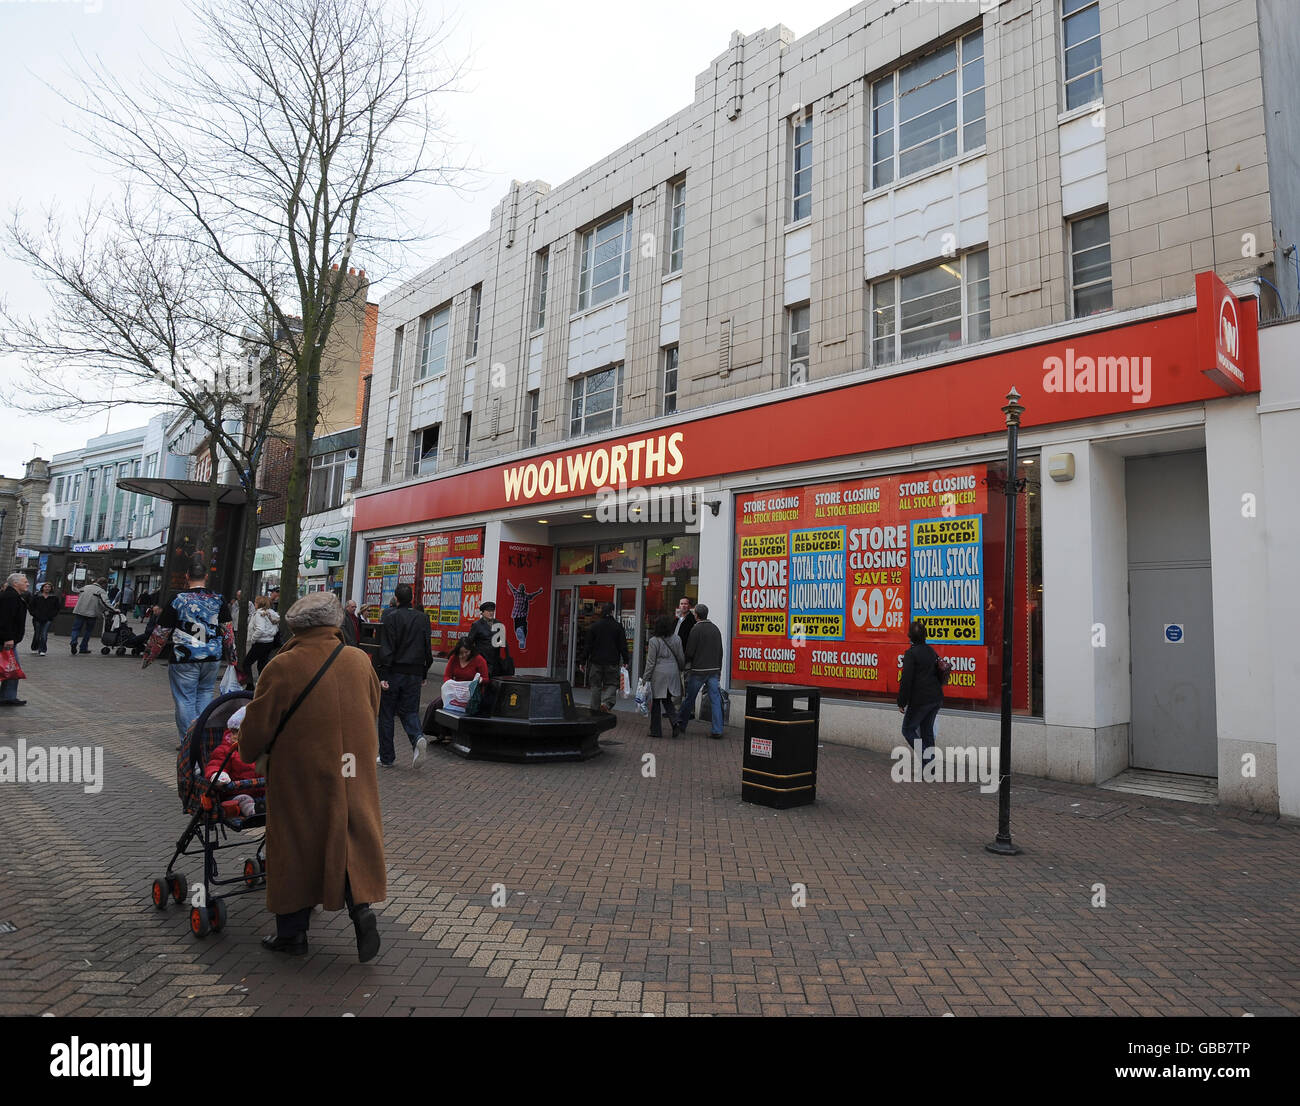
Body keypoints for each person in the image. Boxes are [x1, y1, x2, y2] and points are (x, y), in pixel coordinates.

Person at [237, 592, 385, 961]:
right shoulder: (358, 660)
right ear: (335, 623)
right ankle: (360, 908)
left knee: (295, 842)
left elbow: (257, 728)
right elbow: (374, 707)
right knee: (348, 832)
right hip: (352, 766)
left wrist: (247, 752)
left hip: (300, 770)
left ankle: (292, 934)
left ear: (295, 626)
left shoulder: (283, 666)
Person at [142, 557, 235, 746]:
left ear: (187, 577)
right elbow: (227, 629)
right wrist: (232, 657)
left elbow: (162, 631)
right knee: (206, 695)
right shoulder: (218, 599)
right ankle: (202, 738)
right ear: (206, 577)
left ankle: (189, 741)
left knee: (185, 699)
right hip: (211, 656)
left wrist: (149, 656)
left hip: (185, 656)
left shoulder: (178, 600)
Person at [375, 582, 433, 769]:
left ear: (396, 599)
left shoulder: (390, 618)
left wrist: (382, 673)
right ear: (412, 599)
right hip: (414, 672)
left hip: (393, 672)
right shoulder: (423, 619)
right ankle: (417, 738)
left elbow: (386, 647)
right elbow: (427, 648)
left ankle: (387, 757)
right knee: (410, 711)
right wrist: (424, 672)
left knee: (386, 715)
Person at [897, 619, 947, 772]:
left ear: (910, 637)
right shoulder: (931, 651)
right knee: (927, 731)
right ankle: (930, 767)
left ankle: (928, 760)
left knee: (908, 729)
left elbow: (906, 680)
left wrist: (901, 702)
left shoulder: (911, 654)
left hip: (921, 700)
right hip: (935, 698)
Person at [677, 602, 725, 738]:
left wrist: (684, 663)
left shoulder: (696, 629)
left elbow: (690, 652)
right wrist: (719, 669)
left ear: (696, 615)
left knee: (690, 698)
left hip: (698, 670)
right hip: (714, 670)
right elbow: (720, 651)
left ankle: (681, 723)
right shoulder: (715, 629)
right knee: (715, 699)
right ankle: (717, 730)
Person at [642, 614, 685, 739]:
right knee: (667, 700)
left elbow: (650, 662)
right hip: (673, 672)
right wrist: (681, 668)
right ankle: (675, 721)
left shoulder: (653, 641)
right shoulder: (677, 639)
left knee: (655, 703)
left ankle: (656, 730)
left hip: (658, 673)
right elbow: (681, 657)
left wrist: (645, 678)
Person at [584, 602, 630, 713]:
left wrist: (582, 660)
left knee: (596, 685)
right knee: (612, 683)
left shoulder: (594, 626)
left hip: (596, 661)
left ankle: (594, 710)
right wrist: (626, 660)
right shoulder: (618, 627)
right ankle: (606, 703)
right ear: (612, 611)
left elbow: (588, 645)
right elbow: (623, 645)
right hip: (612, 661)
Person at [0, 573, 30, 707]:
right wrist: (8, 638)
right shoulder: (10, 597)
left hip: (10, 640)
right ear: (15, 583)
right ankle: (8, 696)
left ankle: (8, 696)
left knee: (11, 668)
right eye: (25, 581)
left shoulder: (14, 596)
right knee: (11, 668)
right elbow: (5, 620)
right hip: (6, 640)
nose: (28, 584)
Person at [70, 577, 114, 655]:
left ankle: (73, 641)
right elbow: (105, 603)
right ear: (103, 584)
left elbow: (79, 594)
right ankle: (83, 647)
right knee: (88, 631)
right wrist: (114, 610)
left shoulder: (85, 587)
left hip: (79, 611)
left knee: (76, 629)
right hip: (91, 613)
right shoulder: (101, 591)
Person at [243, 595, 280, 684]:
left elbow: (260, 629)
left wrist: (253, 639)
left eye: (255, 602)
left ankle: (250, 685)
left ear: (258, 604)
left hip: (260, 643)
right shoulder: (272, 614)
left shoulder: (259, 614)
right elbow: (276, 627)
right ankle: (263, 683)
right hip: (269, 642)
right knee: (261, 664)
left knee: (246, 664)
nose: (254, 604)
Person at [466, 600, 504, 677]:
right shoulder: (477, 625)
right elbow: (469, 642)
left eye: (492, 611)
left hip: (495, 661)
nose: (491, 613)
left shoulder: (498, 624)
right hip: (482, 659)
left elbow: (501, 642)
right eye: (488, 611)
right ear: (482, 612)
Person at [505, 580, 545, 650]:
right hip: (522, 615)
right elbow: (532, 595)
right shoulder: (526, 596)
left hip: (516, 615)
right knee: (522, 627)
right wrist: (539, 591)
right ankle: (522, 638)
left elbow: (512, 588)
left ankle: (521, 637)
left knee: (517, 628)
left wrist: (509, 583)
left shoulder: (516, 593)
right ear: (524, 590)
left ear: (520, 589)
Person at [29, 582, 61, 657]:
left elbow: (57, 608)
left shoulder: (54, 597)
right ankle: (35, 646)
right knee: (37, 634)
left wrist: (52, 615)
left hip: (48, 619)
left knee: (44, 634)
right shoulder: (37, 596)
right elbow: (31, 606)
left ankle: (42, 649)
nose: (47, 588)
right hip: (37, 618)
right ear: (42, 588)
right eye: (45, 587)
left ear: (51, 588)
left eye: (49, 587)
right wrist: (34, 614)